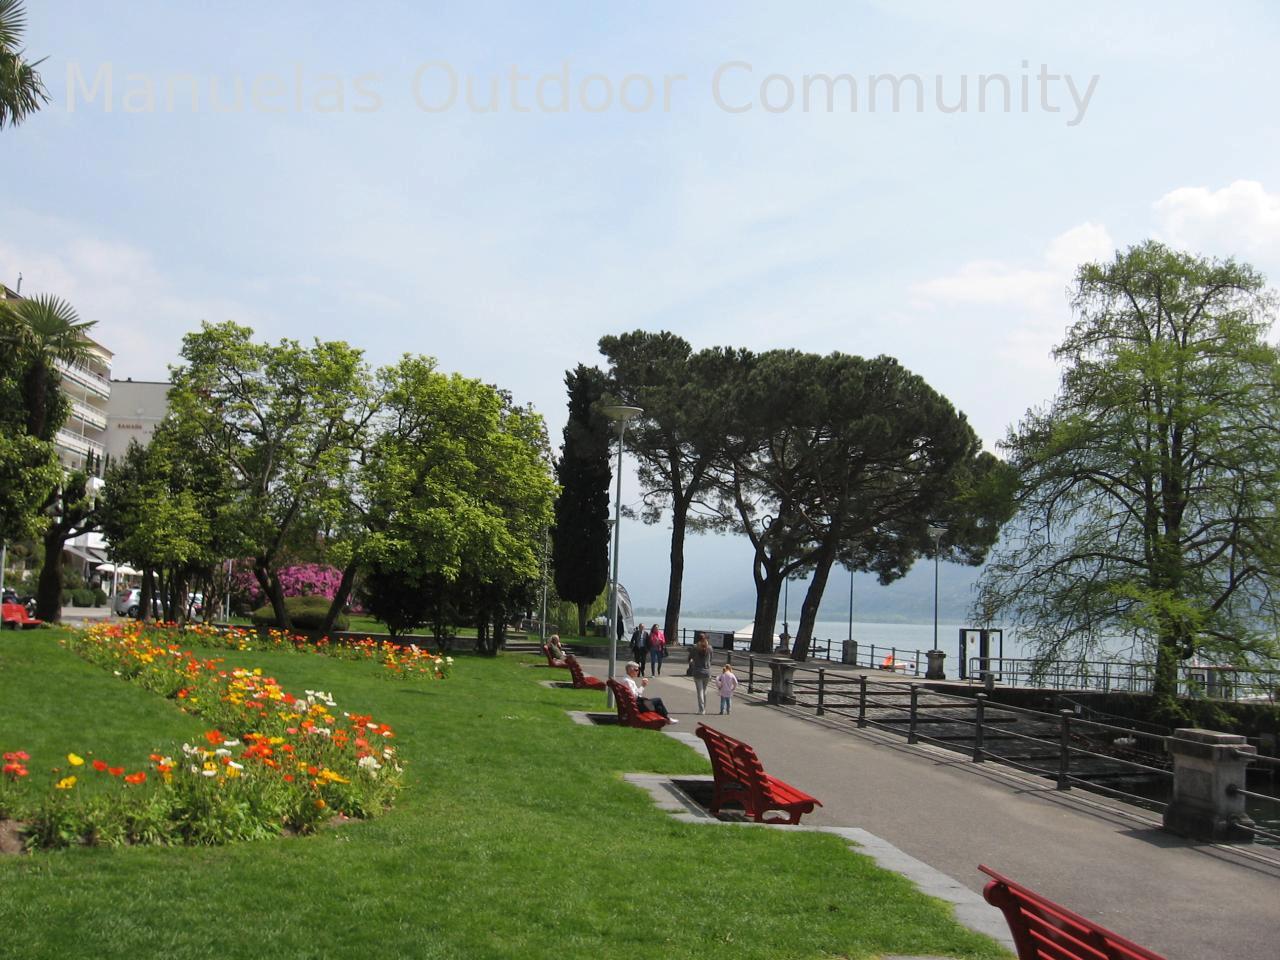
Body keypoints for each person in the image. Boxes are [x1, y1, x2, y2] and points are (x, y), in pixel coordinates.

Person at [686, 633, 714, 714]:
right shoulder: (710, 648)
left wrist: (692, 661)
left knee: (700, 691)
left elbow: (689, 658)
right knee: (704, 691)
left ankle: (701, 709)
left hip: (697, 671)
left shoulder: (695, 648)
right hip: (707, 671)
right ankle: (704, 707)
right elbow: (711, 659)